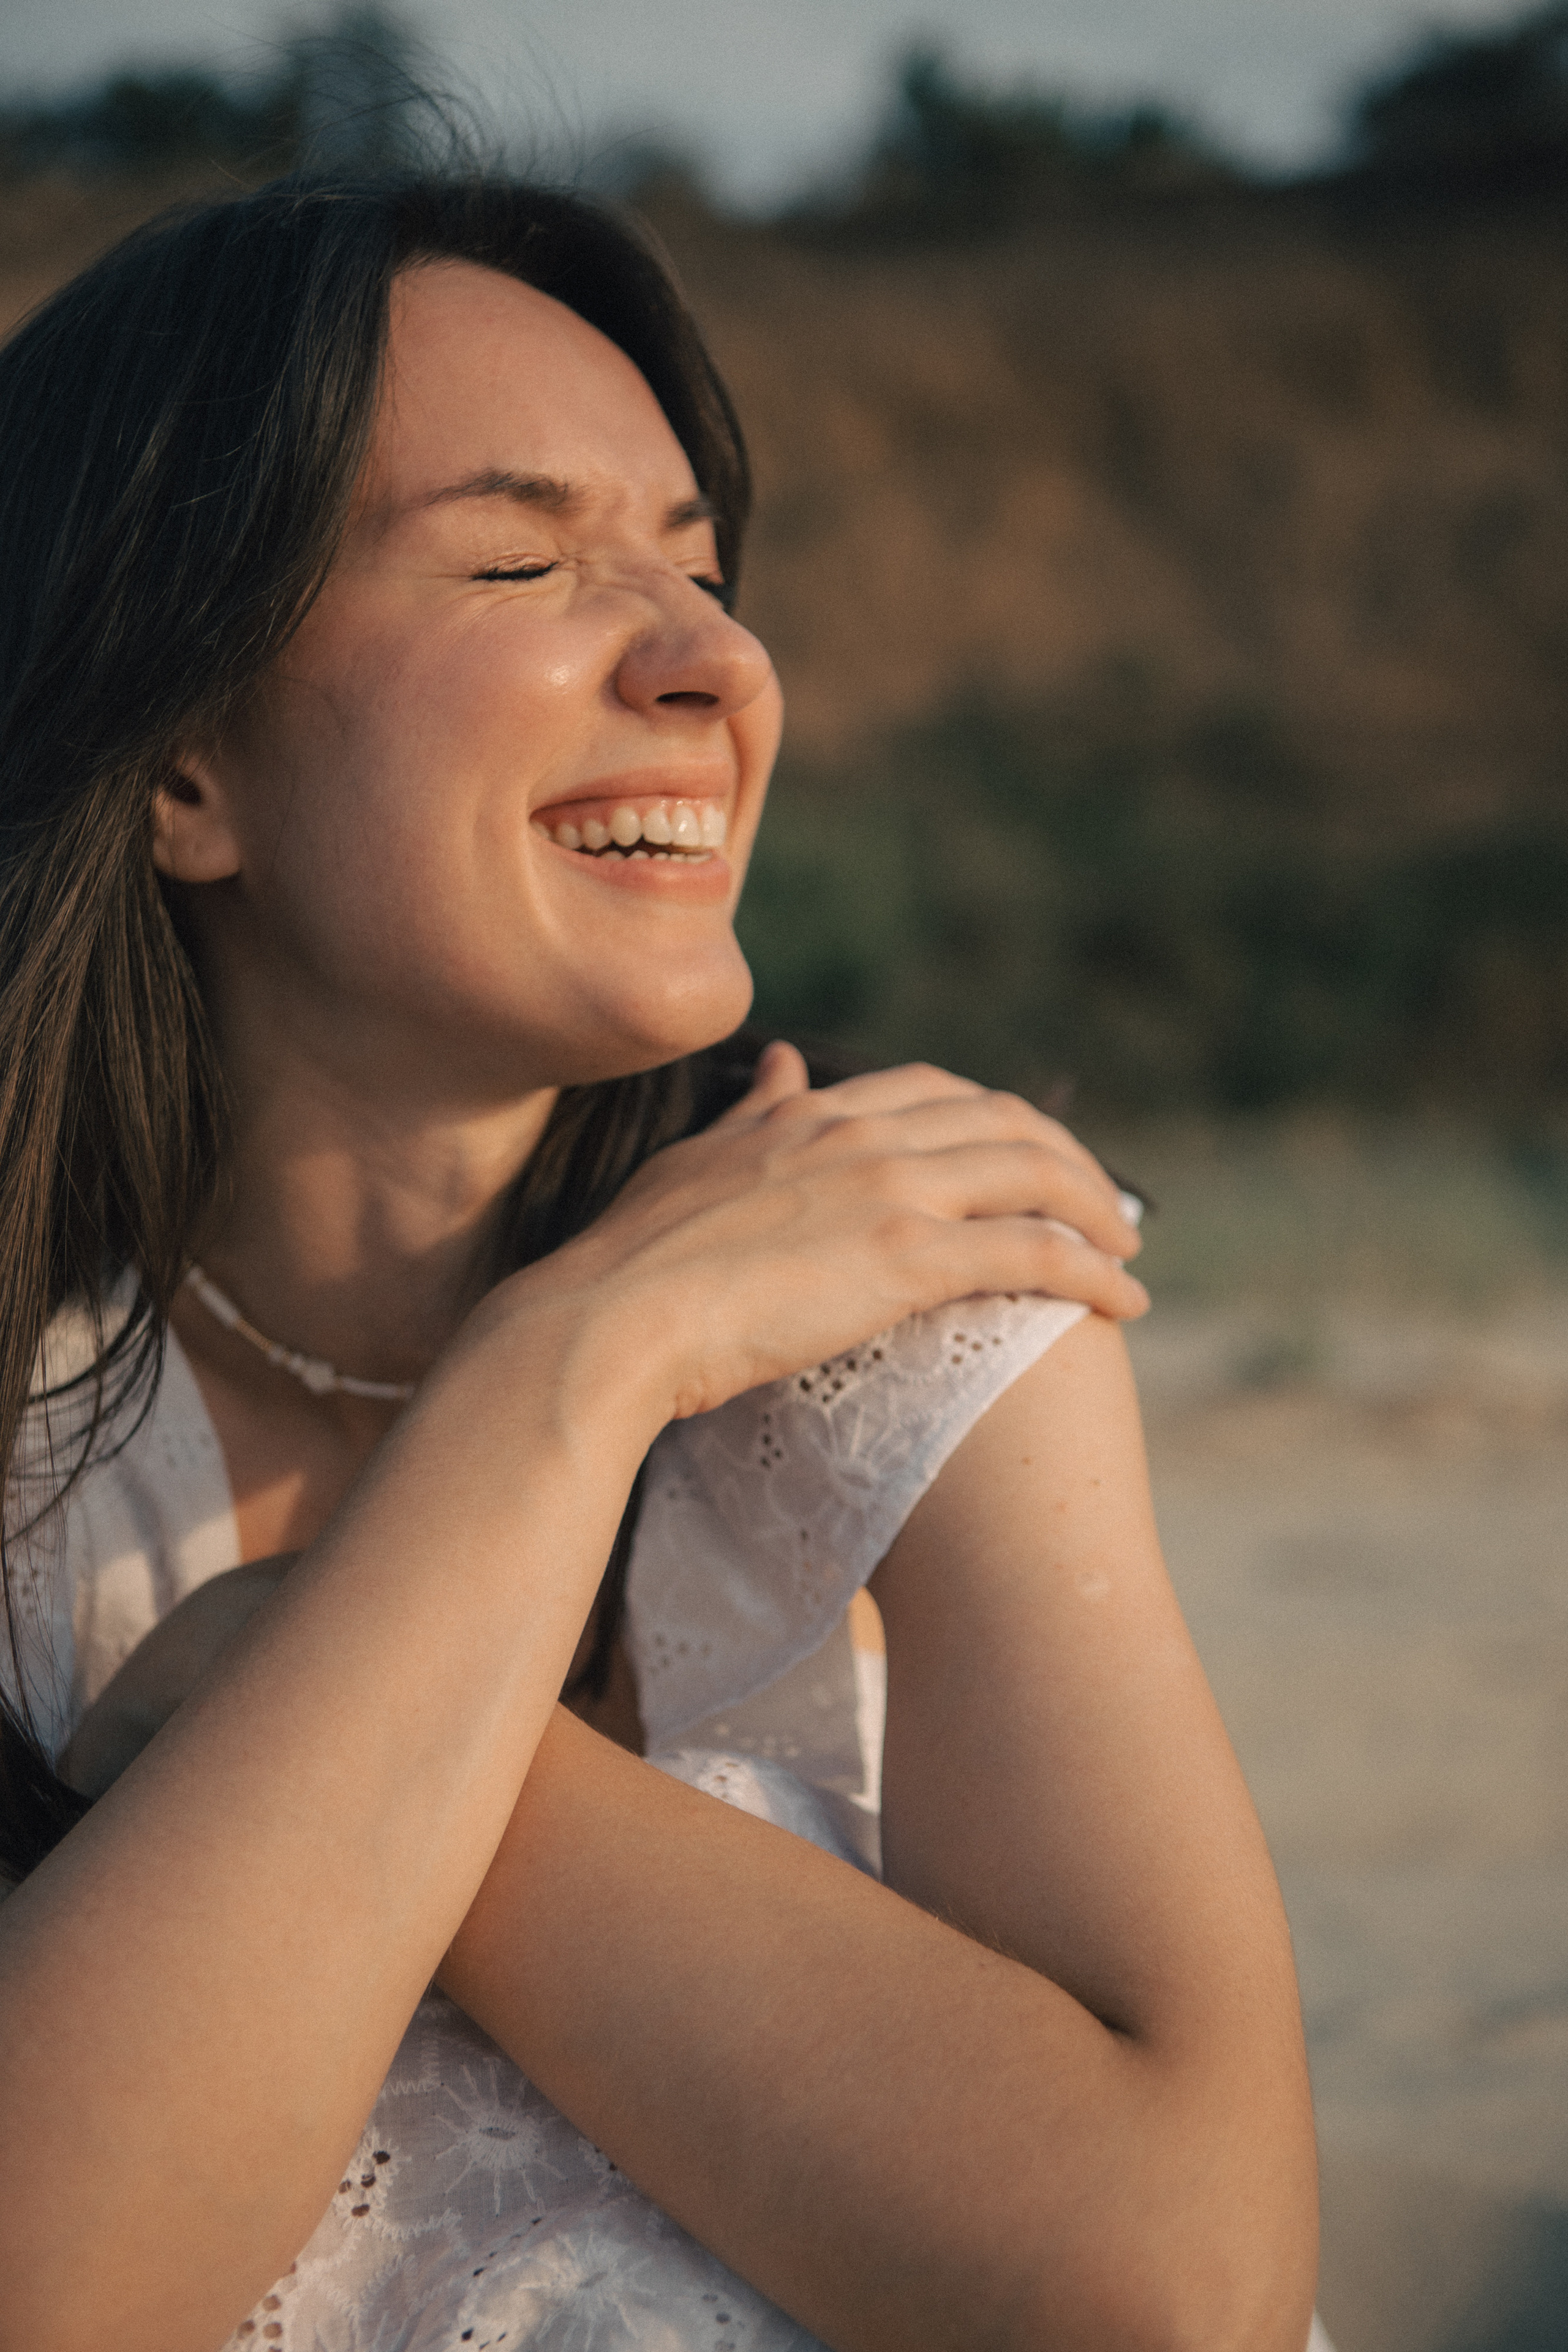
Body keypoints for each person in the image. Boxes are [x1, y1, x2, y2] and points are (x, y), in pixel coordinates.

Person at [0, 170, 1319, 2352]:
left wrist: (267, 1671)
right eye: (523, 560)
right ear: (184, 762)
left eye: (701, 570)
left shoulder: (915, 1296)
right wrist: (562, 1379)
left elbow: (1172, 2286)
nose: (714, 664)